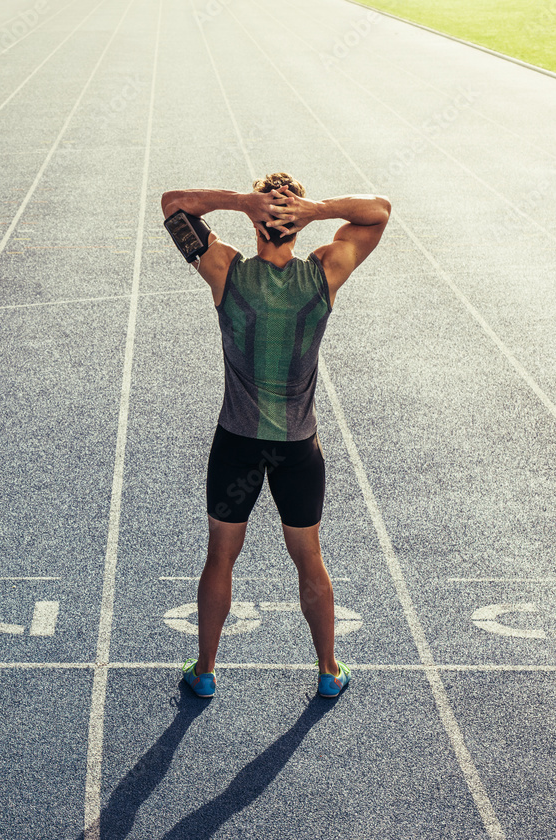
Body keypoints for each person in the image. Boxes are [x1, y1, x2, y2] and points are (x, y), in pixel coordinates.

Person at [160, 173, 390, 699]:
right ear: (296, 222)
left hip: (238, 444)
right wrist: (318, 210)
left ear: (258, 221)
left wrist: (241, 202)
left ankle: (205, 670)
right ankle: (329, 671)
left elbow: (174, 205)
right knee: (309, 556)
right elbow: (379, 210)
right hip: (297, 450)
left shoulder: (225, 272)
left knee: (221, 556)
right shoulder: (326, 274)